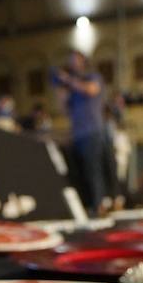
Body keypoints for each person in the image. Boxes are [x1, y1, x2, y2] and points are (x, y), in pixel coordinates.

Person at [51, 51, 108, 211]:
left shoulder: (92, 77)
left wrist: (67, 79)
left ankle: (99, 205)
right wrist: (59, 90)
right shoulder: (71, 89)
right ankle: (87, 206)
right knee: (81, 173)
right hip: (77, 134)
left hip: (92, 131)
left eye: (74, 59)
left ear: (83, 61)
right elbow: (64, 110)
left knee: (93, 170)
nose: (71, 63)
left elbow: (91, 90)